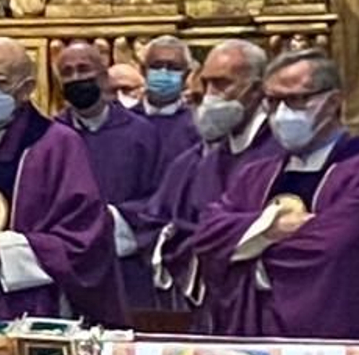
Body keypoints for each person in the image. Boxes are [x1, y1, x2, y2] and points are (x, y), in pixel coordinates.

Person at [193, 50, 359, 339]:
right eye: (273, 101)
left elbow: (330, 252)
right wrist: (269, 228)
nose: (281, 113)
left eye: (295, 99)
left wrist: (246, 249)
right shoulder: (256, 174)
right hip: (255, 333)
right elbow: (208, 235)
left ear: (333, 102)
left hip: (333, 333)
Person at [0, 37, 122, 324]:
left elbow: (86, 236)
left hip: (35, 305)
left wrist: (6, 251)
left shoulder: (58, 144)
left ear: (26, 88)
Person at [137, 40, 281, 324]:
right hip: (207, 310)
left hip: (264, 310)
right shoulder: (197, 162)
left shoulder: (280, 155)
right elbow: (157, 225)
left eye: (222, 84)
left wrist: (212, 241)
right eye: (206, 83)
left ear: (256, 89)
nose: (210, 95)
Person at [54, 41, 163, 312]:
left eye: (84, 69)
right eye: (67, 72)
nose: (76, 78)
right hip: (69, 267)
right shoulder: (50, 136)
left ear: (103, 76)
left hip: (125, 265)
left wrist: (110, 220)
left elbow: (159, 200)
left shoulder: (141, 133)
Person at [135, 36, 200, 164]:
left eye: (174, 68)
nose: (163, 72)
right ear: (143, 70)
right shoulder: (125, 121)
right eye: (156, 66)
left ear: (186, 74)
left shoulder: (197, 126)